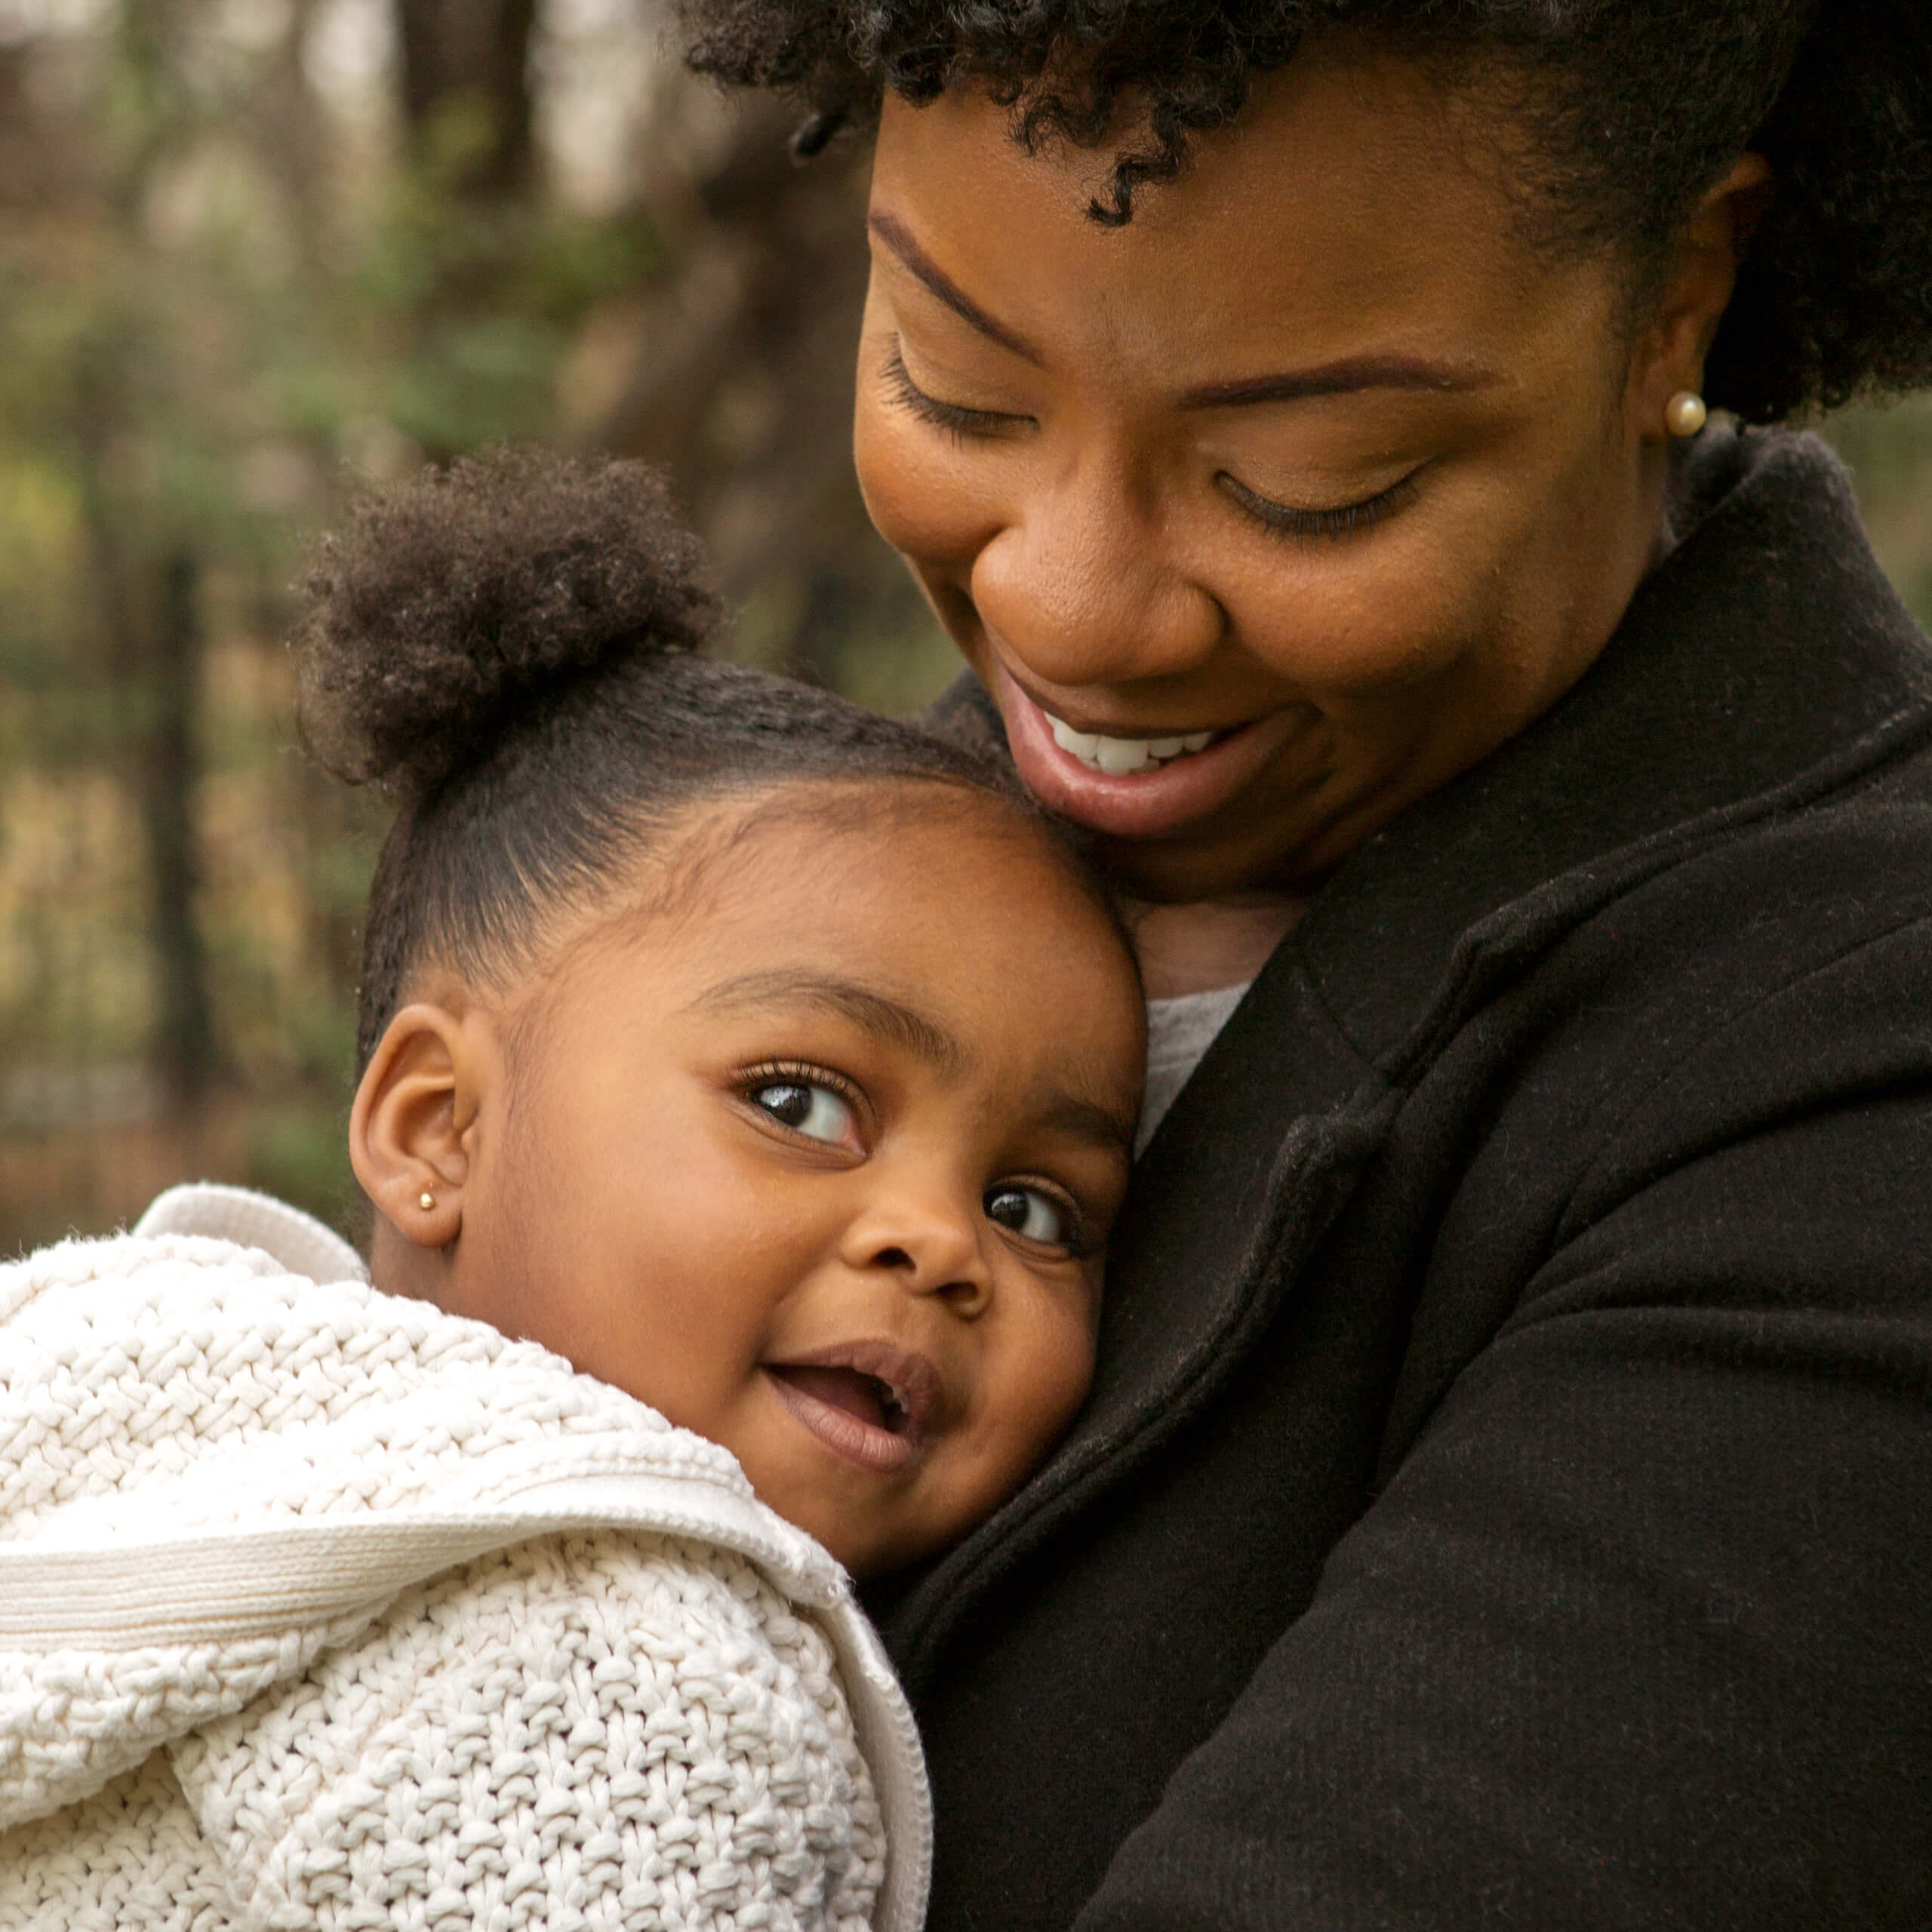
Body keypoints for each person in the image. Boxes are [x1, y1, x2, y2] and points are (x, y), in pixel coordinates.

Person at [676, 4, 1932, 1927]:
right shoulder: (779, 881)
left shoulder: (1852, 1073)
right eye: (953, 385)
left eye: (1310, 479)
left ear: (1674, 295)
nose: (1063, 601)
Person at [0, 449, 1145, 1930]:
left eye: (1035, 1208)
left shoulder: (131, 1394)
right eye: (798, 1101)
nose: (939, 1241)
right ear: (436, 1127)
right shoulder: (639, 1670)